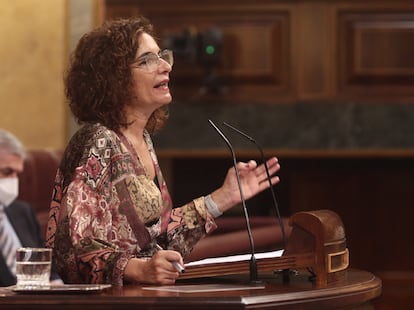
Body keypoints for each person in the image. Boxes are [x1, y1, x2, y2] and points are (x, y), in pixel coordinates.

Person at [45, 16, 281, 286]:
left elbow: (158, 241)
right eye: (147, 60)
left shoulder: (142, 139)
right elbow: (71, 249)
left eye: (163, 56)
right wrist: (138, 270)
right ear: (114, 77)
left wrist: (223, 198)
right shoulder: (96, 141)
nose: (166, 66)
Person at [0, 129, 62, 286]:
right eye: (7, 172)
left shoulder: (22, 211)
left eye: (17, 174)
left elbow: (48, 267)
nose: (13, 181)